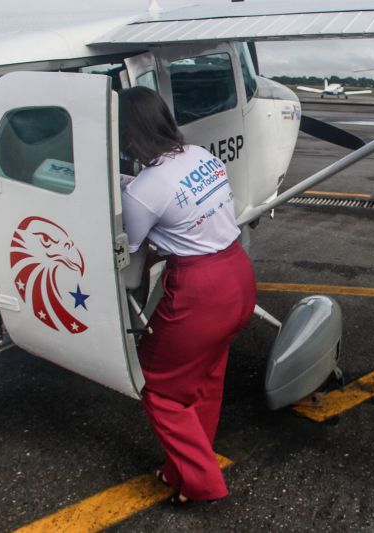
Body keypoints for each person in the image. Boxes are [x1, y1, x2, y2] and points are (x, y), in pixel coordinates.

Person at [119, 86, 257, 505]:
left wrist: (130, 194)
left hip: (201, 290)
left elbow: (132, 244)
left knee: (157, 386)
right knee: (205, 377)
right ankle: (180, 471)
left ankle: (202, 482)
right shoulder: (201, 155)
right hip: (238, 273)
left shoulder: (142, 190)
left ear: (126, 134)